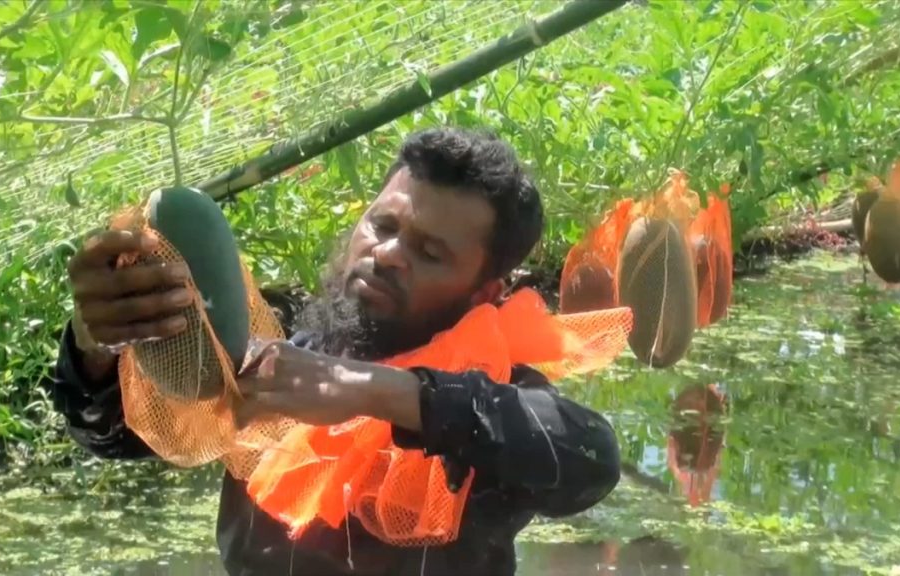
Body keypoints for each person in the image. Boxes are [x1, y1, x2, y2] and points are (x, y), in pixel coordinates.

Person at [46, 127, 622, 576]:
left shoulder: (494, 399)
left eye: (430, 253)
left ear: (484, 293)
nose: (388, 254)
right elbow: (110, 435)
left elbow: (590, 459)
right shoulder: (278, 345)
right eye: (383, 225)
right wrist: (97, 342)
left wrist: (371, 392)